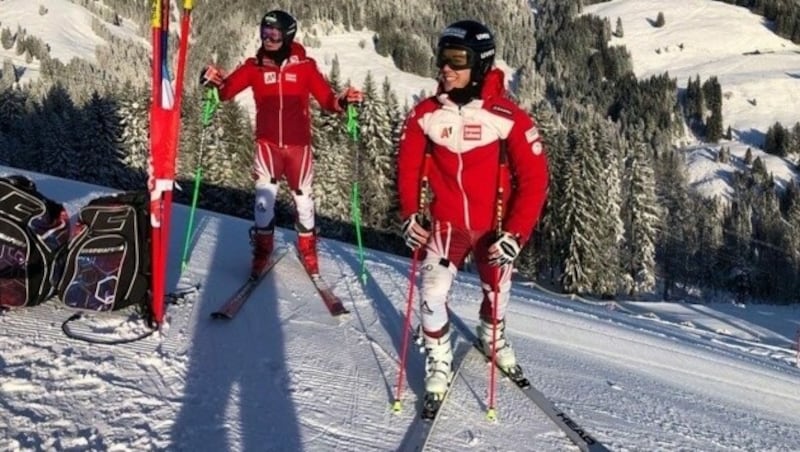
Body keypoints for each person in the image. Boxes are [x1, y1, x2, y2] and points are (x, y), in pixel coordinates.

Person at [396, 20, 549, 398]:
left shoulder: (507, 117)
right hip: (447, 226)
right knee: (432, 289)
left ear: (480, 64)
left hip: (494, 227)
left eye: (456, 60)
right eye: (442, 58)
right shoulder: (425, 115)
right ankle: (438, 355)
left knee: (497, 293)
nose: (445, 68)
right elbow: (409, 167)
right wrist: (411, 212)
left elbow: (535, 180)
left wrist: (516, 233)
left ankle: (491, 336)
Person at [200, 10, 363, 278]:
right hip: (267, 145)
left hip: (299, 147)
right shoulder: (254, 66)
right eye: (265, 32)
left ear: (288, 35)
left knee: (304, 202)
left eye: (275, 33)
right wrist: (212, 81)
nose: (269, 38)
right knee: (263, 203)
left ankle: (308, 251)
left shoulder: (305, 67)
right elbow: (225, 92)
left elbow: (327, 100)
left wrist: (344, 102)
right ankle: (263, 251)